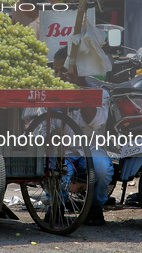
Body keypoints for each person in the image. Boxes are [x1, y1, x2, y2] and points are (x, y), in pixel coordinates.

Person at [53, 45, 113, 226]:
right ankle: (57, 205)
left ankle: (94, 207)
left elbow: (95, 121)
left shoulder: (99, 93)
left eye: (63, 71)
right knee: (52, 170)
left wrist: (78, 92)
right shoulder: (52, 93)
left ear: (79, 70)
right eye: (55, 71)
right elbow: (49, 128)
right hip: (63, 151)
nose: (58, 76)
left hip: (91, 150)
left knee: (102, 169)